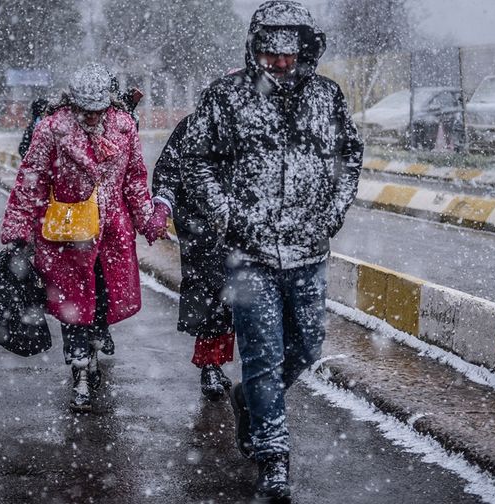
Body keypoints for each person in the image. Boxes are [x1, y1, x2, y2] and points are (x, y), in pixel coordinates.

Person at [181, 1, 363, 501]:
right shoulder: (226, 97)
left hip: (309, 250)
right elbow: (195, 161)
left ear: (305, 51)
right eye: (270, 53)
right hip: (249, 253)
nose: (279, 63)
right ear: (255, 50)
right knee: (262, 357)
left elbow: (350, 154)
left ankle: (249, 401)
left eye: (289, 54)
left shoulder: (327, 97)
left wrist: (334, 209)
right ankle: (273, 456)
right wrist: (228, 214)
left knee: (306, 347)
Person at [0, 62, 167, 412]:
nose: (92, 118)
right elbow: (31, 180)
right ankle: (80, 372)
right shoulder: (51, 130)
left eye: (98, 111)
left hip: (111, 235)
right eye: (85, 111)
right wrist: (19, 230)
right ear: (72, 104)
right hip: (66, 234)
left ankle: (94, 344)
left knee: (102, 299)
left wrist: (148, 219)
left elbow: (135, 178)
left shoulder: (124, 127)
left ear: (108, 105)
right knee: (73, 306)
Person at [150, 113, 235, 401]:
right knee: (210, 291)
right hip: (201, 225)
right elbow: (167, 171)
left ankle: (219, 361)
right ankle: (209, 364)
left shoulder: (256, 123)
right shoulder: (194, 126)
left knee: (232, 297)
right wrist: (163, 206)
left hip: (240, 227)